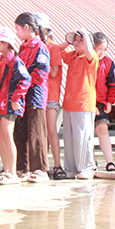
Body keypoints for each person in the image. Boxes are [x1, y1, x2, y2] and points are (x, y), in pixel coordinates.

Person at [0, 26, 30, 185]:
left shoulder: (15, 61)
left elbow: (25, 80)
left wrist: (15, 98)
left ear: (6, 43)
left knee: (7, 135)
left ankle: (12, 171)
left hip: (9, 103)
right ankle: (6, 170)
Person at [14, 13, 51, 183]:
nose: (17, 33)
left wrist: (24, 82)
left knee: (36, 132)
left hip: (35, 96)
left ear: (26, 27)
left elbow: (40, 74)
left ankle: (40, 169)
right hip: (21, 96)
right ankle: (22, 167)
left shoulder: (40, 47)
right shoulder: (23, 47)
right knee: (20, 132)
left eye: (18, 29)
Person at [61, 29, 99, 180]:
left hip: (83, 102)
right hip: (69, 102)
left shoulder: (91, 57)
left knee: (83, 136)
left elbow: (90, 52)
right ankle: (71, 168)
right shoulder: (73, 56)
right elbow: (58, 50)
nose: (76, 42)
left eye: (80, 40)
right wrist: (70, 41)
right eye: (75, 40)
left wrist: (85, 35)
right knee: (69, 137)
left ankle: (87, 167)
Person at [35, 13, 65, 180]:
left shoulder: (52, 47)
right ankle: (41, 164)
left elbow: (54, 71)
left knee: (51, 130)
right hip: (39, 95)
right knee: (39, 131)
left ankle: (57, 164)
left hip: (51, 95)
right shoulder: (32, 46)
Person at [92, 32, 115, 173]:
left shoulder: (108, 63)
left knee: (102, 129)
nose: (102, 53)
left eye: (104, 50)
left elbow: (113, 84)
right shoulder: (87, 61)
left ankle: (110, 161)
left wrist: (110, 101)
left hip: (101, 102)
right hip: (88, 101)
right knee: (88, 133)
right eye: (99, 49)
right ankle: (91, 160)